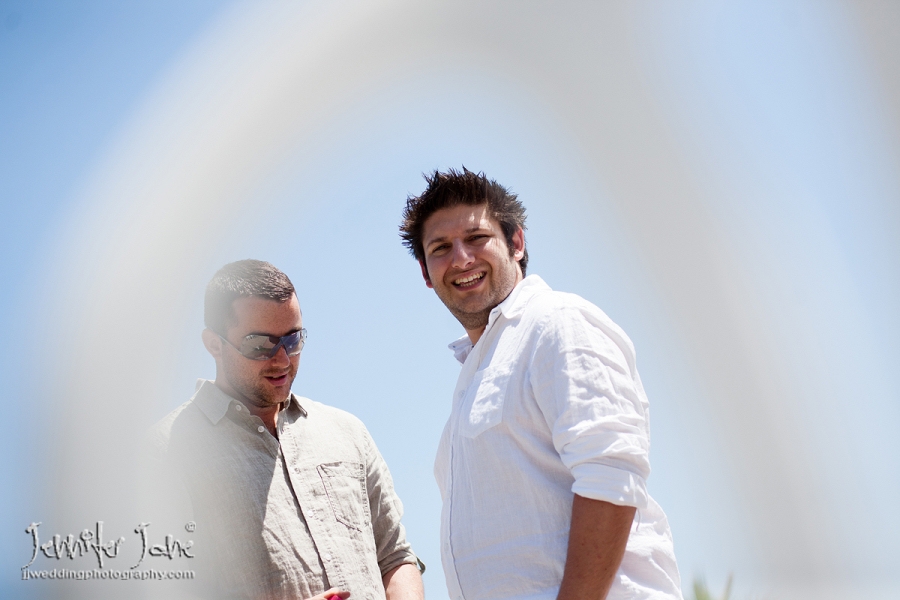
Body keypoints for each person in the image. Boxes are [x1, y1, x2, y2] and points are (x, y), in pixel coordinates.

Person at [399, 168, 683, 600]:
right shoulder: (480, 369)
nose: (461, 259)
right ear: (425, 272)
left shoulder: (557, 323)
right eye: (440, 248)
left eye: (477, 238)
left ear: (516, 243)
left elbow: (610, 476)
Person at [147, 259, 424, 600]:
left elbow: (395, 557)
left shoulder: (347, 433)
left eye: (292, 340)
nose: (281, 360)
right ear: (214, 344)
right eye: (259, 345)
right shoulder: (164, 453)